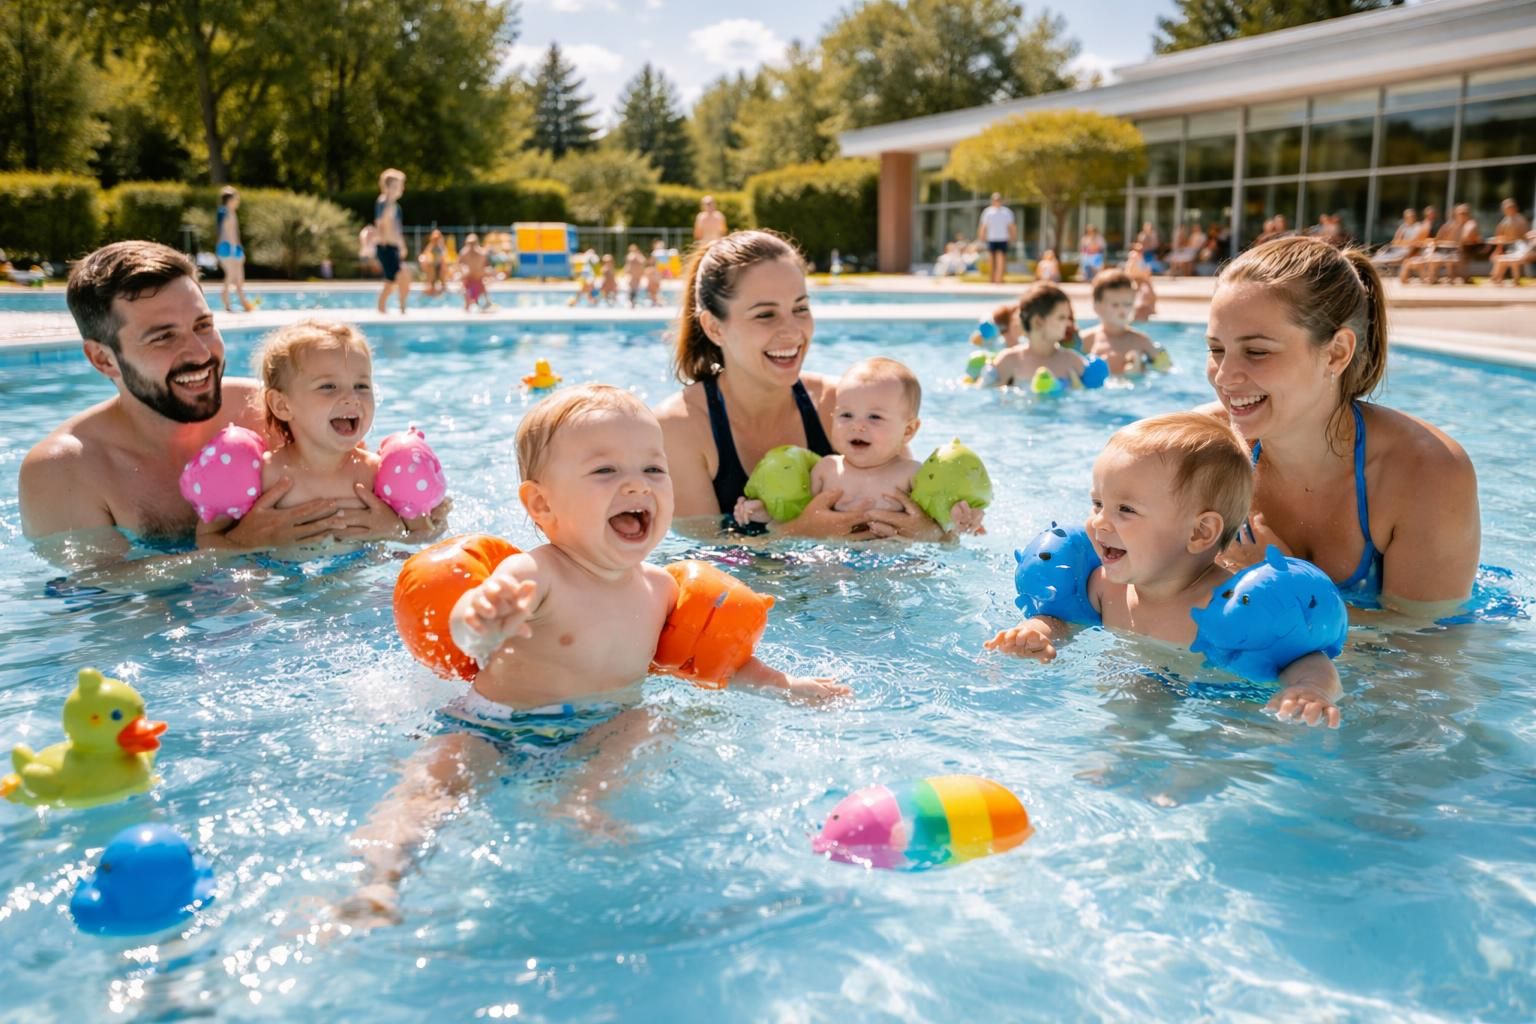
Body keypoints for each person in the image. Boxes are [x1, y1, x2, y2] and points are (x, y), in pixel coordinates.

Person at [334, 385, 850, 928]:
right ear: (541, 504)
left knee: (648, 720)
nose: (636, 484)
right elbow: (470, 621)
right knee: (431, 789)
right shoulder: (538, 573)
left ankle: (582, 803)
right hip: (494, 729)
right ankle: (378, 885)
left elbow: (722, 665)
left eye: (654, 469)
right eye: (605, 471)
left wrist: (788, 688)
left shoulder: (661, 590)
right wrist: (480, 620)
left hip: (596, 728)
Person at [18, 241, 430, 566]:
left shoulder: (265, 408)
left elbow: (395, 498)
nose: (199, 353)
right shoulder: (64, 471)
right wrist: (235, 546)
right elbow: (101, 596)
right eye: (163, 336)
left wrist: (398, 527)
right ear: (103, 358)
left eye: (203, 325)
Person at [985, 412, 1344, 728]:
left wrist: (1308, 690)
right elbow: (1062, 621)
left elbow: (1307, 660)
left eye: (1125, 509)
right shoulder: (1103, 587)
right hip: (1144, 680)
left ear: (1199, 532)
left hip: (1228, 702)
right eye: (1097, 503)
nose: (1099, 523)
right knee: (1130, 706)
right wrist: (1038, 632)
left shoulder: (1231, 609)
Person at [1204, 235, 1480, 614]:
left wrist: (1284, 589)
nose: (1224, 376)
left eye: (1256, 352)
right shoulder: (1199, 448)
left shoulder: (1426, 472)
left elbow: (1424, 648)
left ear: (1336, 353)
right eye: (1217, 349)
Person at [655, 231, 946, 541]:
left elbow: (915, 527)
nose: (792, 331)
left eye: (800, 308)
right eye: (766, 314)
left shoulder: (849, 406)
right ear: (714, 327)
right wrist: (795, 533)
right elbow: (704, 560)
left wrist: (933, 532)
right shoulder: (680, 429)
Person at [215, 321, 433, 558]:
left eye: (361, 385)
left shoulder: (377, 475)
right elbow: (208, 542)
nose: (352, 397)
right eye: (328, 386)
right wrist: (245, 540)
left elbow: (426, 538)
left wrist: (395, 529)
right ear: (282, 405)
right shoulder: (264, 477)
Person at [734, 357, 986, 537]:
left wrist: (962, 521)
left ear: (908, 430)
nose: (858, 426)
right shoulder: (825, 469)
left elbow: (940, 530)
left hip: (893, 570)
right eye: (846, 415)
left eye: (874, 417)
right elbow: (794, 518)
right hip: (830, 568)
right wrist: (763, 513)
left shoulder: (911, 474)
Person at [985, 284, 1090, 388]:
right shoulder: (1009, 361)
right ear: (1038, 322)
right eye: (1061, 318)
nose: (1068, 323)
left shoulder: (1073, 361)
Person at [1082, 270, 1165, 375]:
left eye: (1127, 304)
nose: (1123, 310)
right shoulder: (1087, 340)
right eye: (1115, 305)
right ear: (1097, 306)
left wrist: (1141, 368)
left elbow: (1165, 370)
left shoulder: (1141, 341)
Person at [374, 168, 411, 314]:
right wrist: (389, 201)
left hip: (394, 247)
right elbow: (380, 223)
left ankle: (398, 307)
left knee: (395, 280)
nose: (400, 189)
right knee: (398, 277)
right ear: (387, 188)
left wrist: (402, 245)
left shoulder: (397, 207)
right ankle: (387, 308)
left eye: (400, 185)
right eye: (396, 186)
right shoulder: (383, 202)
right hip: (385, 247)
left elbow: (397, 229)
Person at [214, 187, 254, 313]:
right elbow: (226, 234)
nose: (237, 201)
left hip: (234, 249)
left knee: (239, 278)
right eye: (236, 199)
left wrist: (239, 250)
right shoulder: (224, 213)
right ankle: (227, 301)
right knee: (231, 275)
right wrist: (232, 250)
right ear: (230, 200)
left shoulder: (232, 213)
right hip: (226, 248)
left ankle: (243, 302)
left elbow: (235, 235)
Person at [1487, 199, 1533, 286]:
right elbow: (1500, 234)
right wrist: (1498, 248)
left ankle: (1497, 278)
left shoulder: (1520, 220)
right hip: (1510, 247)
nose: (1506, 210)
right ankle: (1498, 278)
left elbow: (1525, 236)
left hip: (1519, 248)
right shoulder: (1505, 220)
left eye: (1509, 208)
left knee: (1503, 260)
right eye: (1505, 208)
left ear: (1515, 208)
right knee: (1499, 259)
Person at [977, 193, 1016, 284]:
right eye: (995, 199)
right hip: (991, 238)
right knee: (991, 259)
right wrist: (981, 237)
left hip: (1003, 238)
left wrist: (1012, 236)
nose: (996, 201)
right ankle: (992, 278)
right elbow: (983, 226)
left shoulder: (1007, 212)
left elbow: (1011, 226)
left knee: (1001, 258)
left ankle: (999, 278)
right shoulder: (988, 212)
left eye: (998, 199)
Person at [458, 233, 490, 312]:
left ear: (477, 243)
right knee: (467, 303)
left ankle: (483, 304)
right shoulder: (464, 253)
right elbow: (459, 265)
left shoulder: (482, 254)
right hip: (468, 280)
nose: (471, 245)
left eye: (473, 243)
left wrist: (486, 276)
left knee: (485, 302)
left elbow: (485, 267)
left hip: (479, 280)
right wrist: (463, 271)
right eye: (469, 243)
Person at [419, 229, 447, 298]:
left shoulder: (441, 247)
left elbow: (443, 258)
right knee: (431, 268)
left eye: (437, 238)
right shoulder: (430, 247)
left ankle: (440, 287)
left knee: (442, 269)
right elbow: (425, 256)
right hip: (432, 267)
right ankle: (431, 288)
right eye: (434, 238)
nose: (436, 239)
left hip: (439, 267)